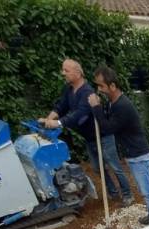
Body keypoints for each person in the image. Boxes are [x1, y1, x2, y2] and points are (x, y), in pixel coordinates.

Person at [40, 59, 133, 206]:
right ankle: (113, 193)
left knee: (114, 166)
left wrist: (58, 123)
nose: (63, 73)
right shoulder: (69, 90)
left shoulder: (87, 92)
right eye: (63, 70)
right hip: (89, 137)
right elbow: (60, 106)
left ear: (78, 73)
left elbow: (80, 114)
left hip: (103, 136)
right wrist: (49, 119)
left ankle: (128, 195)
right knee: (98, 168)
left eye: (66, 70)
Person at [88, 65, 149, 225]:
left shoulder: (122, 106)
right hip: (134, 154)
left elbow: (108, 128)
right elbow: (107, 120)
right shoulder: (114, 103)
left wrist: (96, 107)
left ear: (112, 86)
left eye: (101, 86)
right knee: (144, 188)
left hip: (139, 155)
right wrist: (100, 108)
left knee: (147, 190)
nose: (99, 89)